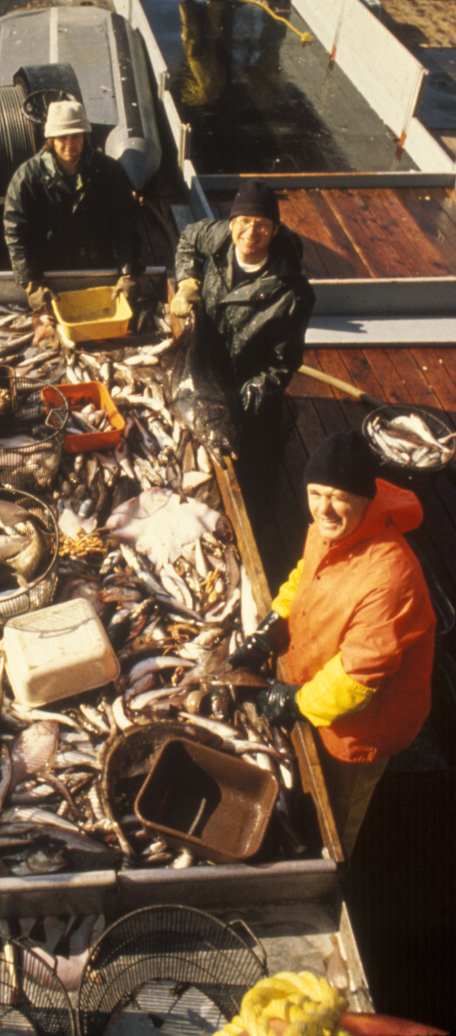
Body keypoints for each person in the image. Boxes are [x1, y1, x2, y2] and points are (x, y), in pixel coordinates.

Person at [229, 430, 435, 857]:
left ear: (365, 497)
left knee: (337, 814)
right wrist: (274, 623)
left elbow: (358, 678)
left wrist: (296, 703)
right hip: (321, 686)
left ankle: (339, 868)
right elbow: (307, 577)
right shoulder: (333, 529)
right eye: (315, 492)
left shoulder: (390, 577)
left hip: (365, 725)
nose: (323, 508)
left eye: (338, 496)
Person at [170, 180, 314, 519]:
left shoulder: (292, 294)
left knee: (253, 472)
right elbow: (189, 238)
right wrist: (188, 280)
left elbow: (282, 365)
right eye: (245, 222)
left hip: (249, 381)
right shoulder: (219, 236)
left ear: (275, 230)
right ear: (232, 223)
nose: (251, 232)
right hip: (207, 354)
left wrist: (233, 408)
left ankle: (259, 516)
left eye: (262, 225)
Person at [3, 100, 141, 312]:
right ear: (51, 139)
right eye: (62, 137)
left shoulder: (110, 171)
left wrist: (128, 273)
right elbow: (15, 231)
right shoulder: (26, 178)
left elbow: (126, 223)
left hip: (98, 268)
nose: (69, 143)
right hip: (50, 274)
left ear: (85, 137)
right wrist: (31, 284)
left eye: (75, 136)